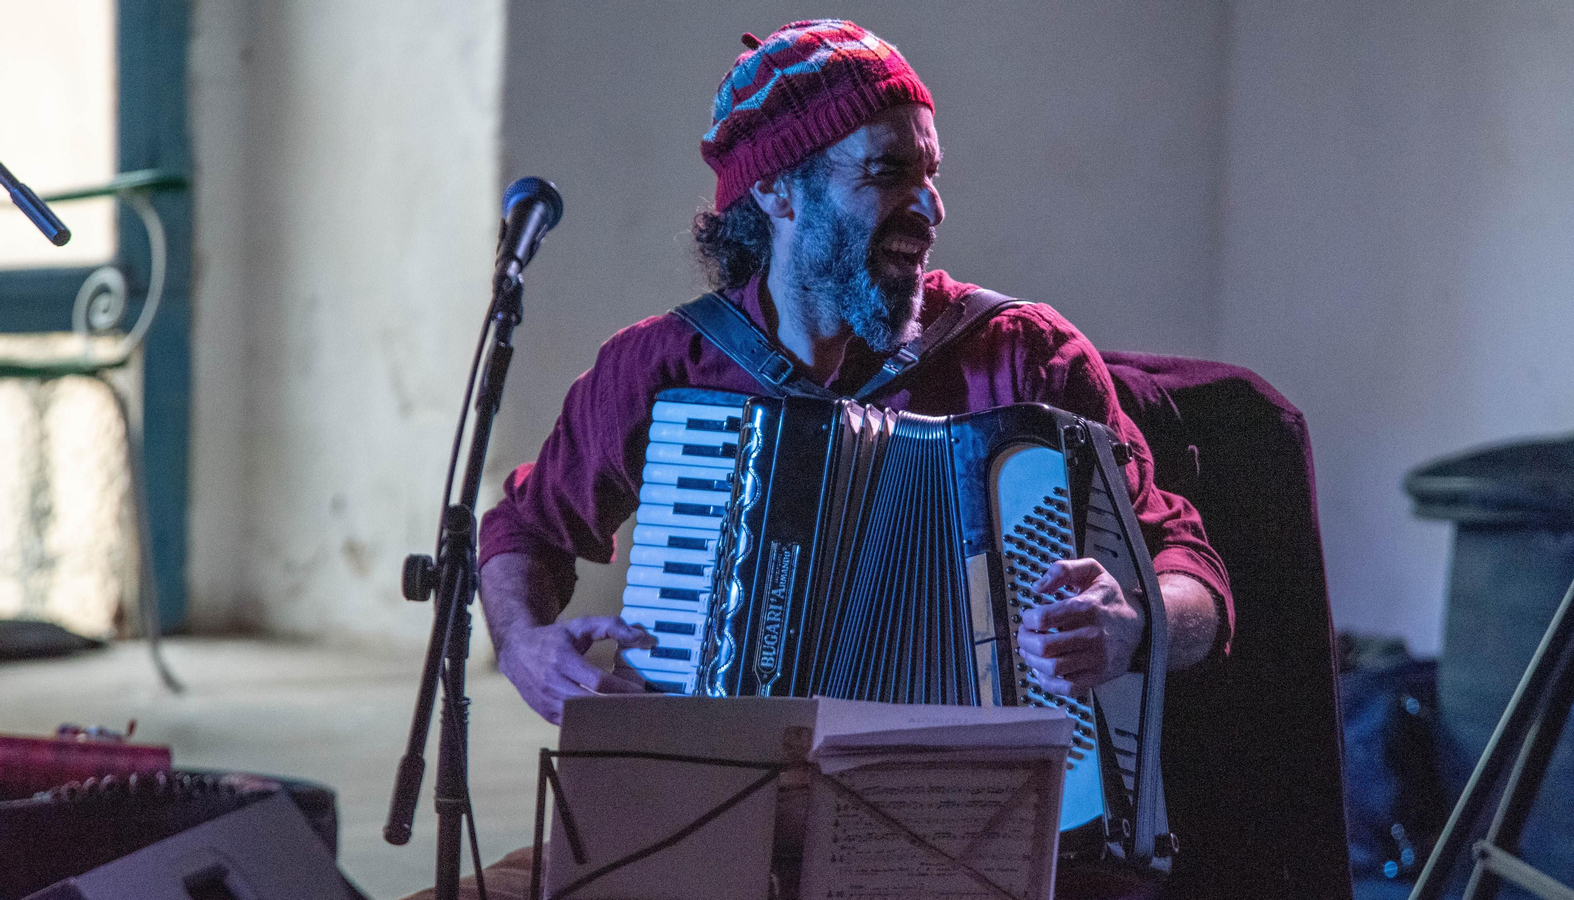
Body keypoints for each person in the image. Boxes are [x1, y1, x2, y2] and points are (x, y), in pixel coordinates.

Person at [478, 19, 1231, 727]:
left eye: (930, 172)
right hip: (726, 806)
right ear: (776, 191)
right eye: (888, 172)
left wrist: (1137, 622)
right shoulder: (666, 368)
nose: (930, 206)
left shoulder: (1021, 355)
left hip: (975, 808)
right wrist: (523, 647)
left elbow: (1191, 568)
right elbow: (526, 530)